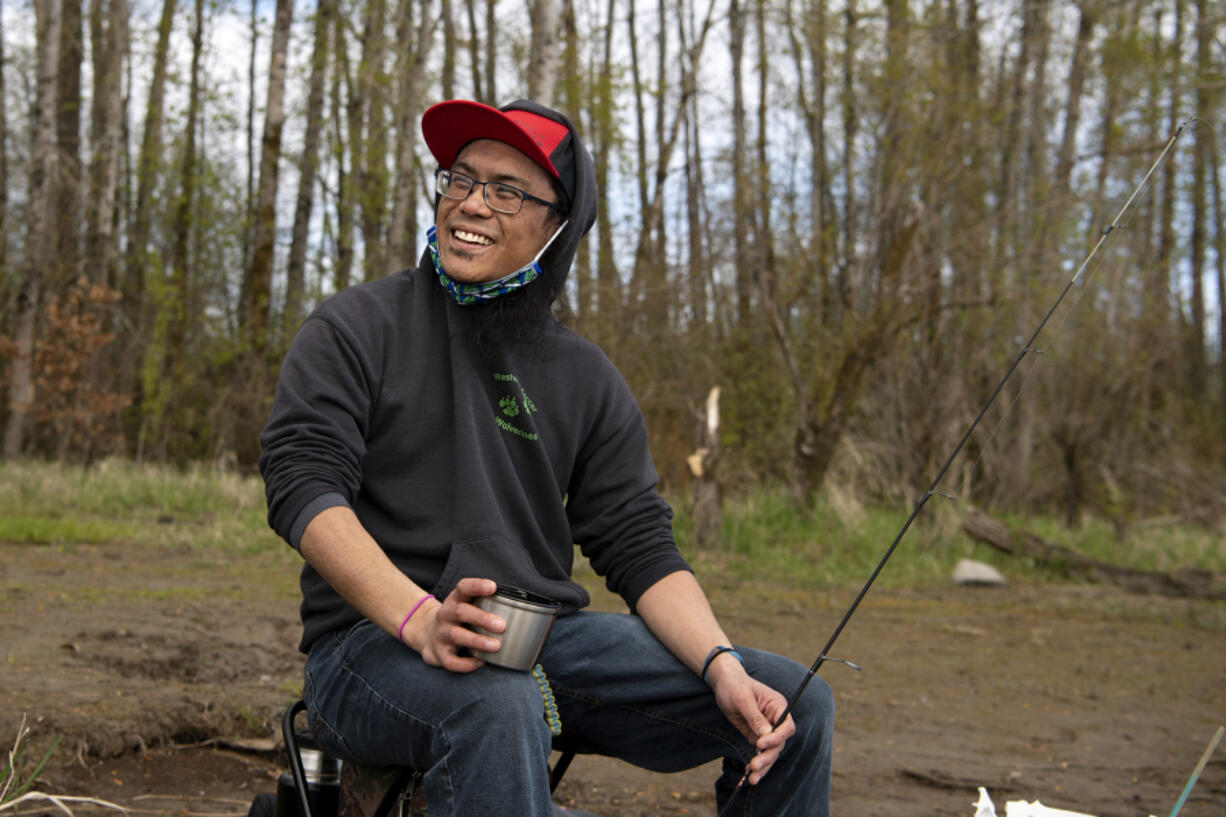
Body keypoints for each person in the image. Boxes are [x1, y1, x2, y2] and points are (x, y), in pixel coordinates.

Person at [259, 98, 834, 817]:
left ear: (558, 226)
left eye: (507, 191)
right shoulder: (356, 326)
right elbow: (303, 486)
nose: (471, 203)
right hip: (371, 647)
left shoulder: (585, 377)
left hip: (541, 644)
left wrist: (722, 665)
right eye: (460, 179)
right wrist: (420, 620)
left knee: (792, 705)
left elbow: (639, 545)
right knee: (494, 703)